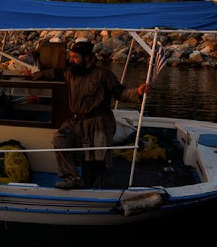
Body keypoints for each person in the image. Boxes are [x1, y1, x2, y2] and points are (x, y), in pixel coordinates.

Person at [48, 40, 151, 189]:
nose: (71, 60)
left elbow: (120, 93)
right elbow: (54, 73)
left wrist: (138, 92)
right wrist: (33, 74)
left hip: (99, 122)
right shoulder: (70, 74)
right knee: (60, 140)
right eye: (70, 57)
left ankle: (96, 188)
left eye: (75, 57)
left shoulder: (103, 74)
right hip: (77, 121)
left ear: (88, 58)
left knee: (96, 158)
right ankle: (72, 177)